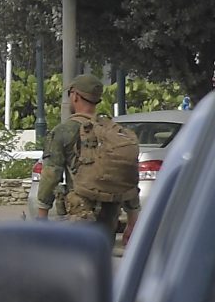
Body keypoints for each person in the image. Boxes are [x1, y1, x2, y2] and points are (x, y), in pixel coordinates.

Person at [36, 73, 142, 241]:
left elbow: (50, 175)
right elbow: (126, 175)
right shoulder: (111, 131)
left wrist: (41, 219)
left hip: (79, 215)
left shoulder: (63, 131)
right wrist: (132, 220)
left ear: (75, 96)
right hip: (110, 216)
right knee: (100, 263)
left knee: (76, 264)